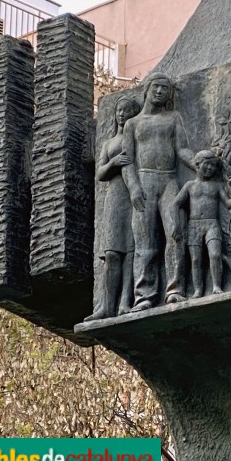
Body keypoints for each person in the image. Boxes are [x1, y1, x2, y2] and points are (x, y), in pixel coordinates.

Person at [122, 72, 195, 311]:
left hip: (169, 182)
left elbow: (183, 150)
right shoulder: (132, 124)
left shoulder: (173, 118)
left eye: (165, 88)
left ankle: (174, 289)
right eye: (156, 86)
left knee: (176, 233)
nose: (160, 91)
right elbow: (127, 160)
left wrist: (200, 163)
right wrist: (133, 187)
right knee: (145, 242)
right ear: (146, 89)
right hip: (144, 181)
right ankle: (144, 295)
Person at [86, 95, 140, 321]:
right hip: (115, 197)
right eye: (119, 110)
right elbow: (99, 173)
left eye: (127, 110)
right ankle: (106, 305)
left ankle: (126, 301)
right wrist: (113, 163)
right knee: (111, 253)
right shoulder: (109, 143)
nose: (121, 114)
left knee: (130, 251)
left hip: (133, 195)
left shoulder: (136, 136)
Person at [172, 150, 231, 298]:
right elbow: (176, 204)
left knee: (215, 255)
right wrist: (177, 226)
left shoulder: (216, 186)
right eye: (207, 164)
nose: (210, 168)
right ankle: (198, 290)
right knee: (196, 259)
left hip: (212, 225)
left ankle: (216, 286)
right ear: (197, 165)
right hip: (194, 226)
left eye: (213, 166)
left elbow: (227, 202)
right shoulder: (190, 186)